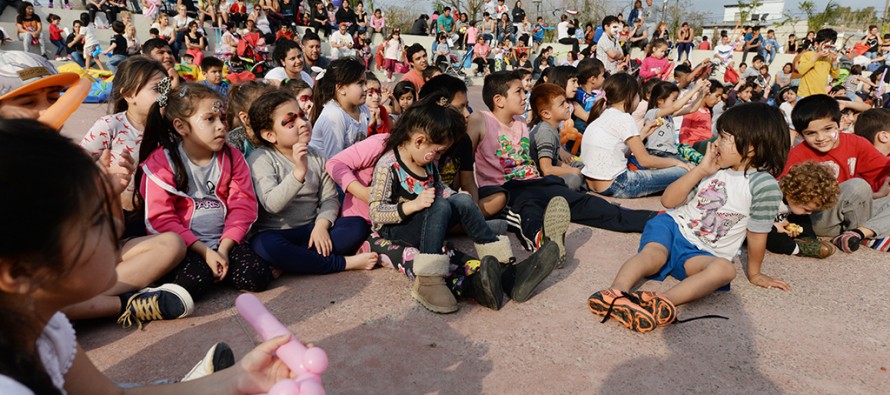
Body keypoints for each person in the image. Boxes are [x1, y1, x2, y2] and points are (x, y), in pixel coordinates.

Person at [0, 118, 302, 395]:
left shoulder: (46, 326)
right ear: (18, 272)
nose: (117, 225)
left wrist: (237, 379)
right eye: (95, 221)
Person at [589, 102, 791, 333]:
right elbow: (669, 202)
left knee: (725, 270)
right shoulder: (713, 169)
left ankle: (656, 302)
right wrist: (701, 171)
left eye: (724, 137)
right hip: (672, 227)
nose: (715, 143)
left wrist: (754, 274)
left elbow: (757, 234)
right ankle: (616, 293)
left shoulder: (763, 185)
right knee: (652, 255)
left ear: (751, 148)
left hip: (702, 254)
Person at [369, 98, 558, 313]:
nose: (438, 157)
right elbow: (375, 211)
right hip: (398, 229)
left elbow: (439, 188)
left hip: (428, 221)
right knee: (440, 209)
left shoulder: (427, 161)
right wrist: (412, 206)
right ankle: (430, 279)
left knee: (462, 200)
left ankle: (504, 265)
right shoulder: (388, 165)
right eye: (438, 151)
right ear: (420, 141)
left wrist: (459, 198)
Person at [467, 71, 659, 262]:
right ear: (499, 100)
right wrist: (473, 203)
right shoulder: (480, 120)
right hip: (505, 188)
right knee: (528, 211)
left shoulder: (520, 122)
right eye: (519, 92)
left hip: (536, 182)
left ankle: (654, 218)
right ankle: (545, 246)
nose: (525, 96)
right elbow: (464, 164)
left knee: (583, 202)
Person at [134, 83, 275, 300]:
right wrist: (204, 251)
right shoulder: (162, 163)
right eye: (210, 119)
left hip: (224, 241)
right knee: (192, 282)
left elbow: (243, 206)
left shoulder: (232, 157)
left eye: (222, 118)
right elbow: (161, 219)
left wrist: (224, 249)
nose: (221, 126)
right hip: (186, 247)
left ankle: (218, 267)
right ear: (181, 127)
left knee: (256, 276)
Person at [244, 90, 377, 277]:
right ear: (270, 135)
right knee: (264, 245)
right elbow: (272, 204)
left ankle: (295, 262)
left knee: (357, 225)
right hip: (277, 233)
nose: (301, 123)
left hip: (312, 231)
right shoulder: (260, 159)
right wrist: (298, 172)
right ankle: (340, 263)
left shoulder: (317, 155)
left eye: (302, 115)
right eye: (290, 122)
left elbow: (330, 199)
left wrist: (321, 225)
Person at [783, 95, 890, 253]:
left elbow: (884, 167)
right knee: (858, 186)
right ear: (800, 134)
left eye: (827, 129)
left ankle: (859, 233)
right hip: (818, 216)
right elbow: (783, 192)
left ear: (840, 123)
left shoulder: (856, 143)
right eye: (811, 133)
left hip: (852, 214)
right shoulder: (798, 155)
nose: (821, 138)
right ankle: (867, 236)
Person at [580, 74, 691, 198]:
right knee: (684, 171)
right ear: (630, 96)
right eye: (638, 94)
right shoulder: (624, 118)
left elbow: (624, 153)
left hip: (593, 184)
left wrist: (643, 133)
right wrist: (676, 162)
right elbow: (645, 160)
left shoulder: (603, 116)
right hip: (618, 184)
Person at [766, 161, 840, 258]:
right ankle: (798, 248)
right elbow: (753, 222)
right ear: (793, 196)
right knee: (773, 237)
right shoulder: (770, 196)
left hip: (775, 222)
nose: (810, 213)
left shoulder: (792, 203)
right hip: (753, 228)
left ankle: (808, 239)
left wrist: (785, 225)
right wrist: (775, 227)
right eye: (806, 209)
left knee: (802, 218)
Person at [309, 57, 370, 159]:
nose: (366, 88)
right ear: (341, 88)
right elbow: (334, 162)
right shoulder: (334, 115)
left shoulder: (363, 109)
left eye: (365, 83)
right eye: (360, 83)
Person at [528, 83, 584, 191]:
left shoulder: (553, 127)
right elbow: (546, 169)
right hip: (539, 181)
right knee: (573, 179)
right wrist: (572, 171)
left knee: (580, 167)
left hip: (549, 174)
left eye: (566, 102)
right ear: (546, 114)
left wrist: (569, 168)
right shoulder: (545, 132)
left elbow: (554, 160)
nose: (568, 106)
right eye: (562, 104)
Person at [644, 79, 710, 159]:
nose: (675, 102)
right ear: (660, 100)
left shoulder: (669, 115)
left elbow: (692, 109)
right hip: (656, 152)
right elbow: (675, 107)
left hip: (669, 152)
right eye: (673, 100)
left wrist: (702, 94)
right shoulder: (653, 113)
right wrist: (695, 88)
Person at [226, 81, 276, 157]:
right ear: (245, 118)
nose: (273, 116)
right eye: (266, 111)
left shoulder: (278, 133)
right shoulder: (234, 141)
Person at [680, 79, 724, 147]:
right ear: (707, 94)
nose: (719, 100)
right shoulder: (692, 110)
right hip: (694, 145)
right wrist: (685, 149)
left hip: (704, 144)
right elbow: (683, 131)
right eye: (717, 96)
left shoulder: (707, 111)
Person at [797, 29, 840, 97]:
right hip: (805, 94)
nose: (827, 48)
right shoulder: (808, 55)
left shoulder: (829, 59)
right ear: (816, 44)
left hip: (821, 95)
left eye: (830, 46)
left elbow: (835, 76)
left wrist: (834, 61)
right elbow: (801, 70)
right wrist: (816, 56)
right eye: (825, 45)